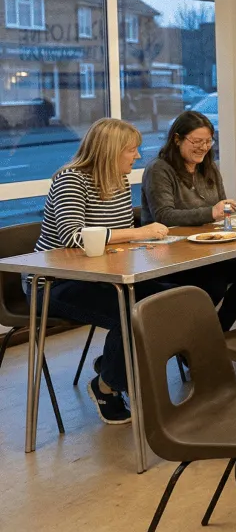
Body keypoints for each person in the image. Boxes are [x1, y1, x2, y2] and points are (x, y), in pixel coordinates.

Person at [33, 119, 174, 424]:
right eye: (131, 150)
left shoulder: (118, 181)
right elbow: (73, 236)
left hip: (102, 275)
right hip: (54, 282)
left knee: (167, 301)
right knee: (132, 314)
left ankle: (112, 366)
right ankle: (106, 386)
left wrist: (137, 242)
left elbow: (118, 235)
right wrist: (138, 235)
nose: (137, 156)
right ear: (110, 152)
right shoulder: (70, 180)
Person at [140, 111, 236, 331]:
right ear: (177, 139)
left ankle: (217, 331)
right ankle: (193, 341)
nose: (203, 147)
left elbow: (218, 206)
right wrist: (211, 212)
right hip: (171, 252)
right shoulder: (159, 169)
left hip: (207, 249)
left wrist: (223, 210)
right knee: (213, 285)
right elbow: (164, 215)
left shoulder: (209, 167)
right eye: (197, 141)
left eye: (208, 141)